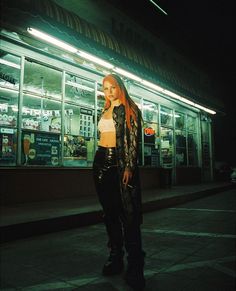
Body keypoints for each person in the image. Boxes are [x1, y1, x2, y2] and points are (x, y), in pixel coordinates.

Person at [93, 73, 145, 290]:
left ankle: (135, 266)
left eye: (112, 87)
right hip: (101, 162)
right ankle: (116, 257)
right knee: (110, 213)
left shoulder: (131, 110)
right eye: (105, 89)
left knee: (129, 214)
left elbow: (133, 140)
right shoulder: (105, 110)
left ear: (120, 87)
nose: (109, 92)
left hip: (120, 163)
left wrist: (129, 166)